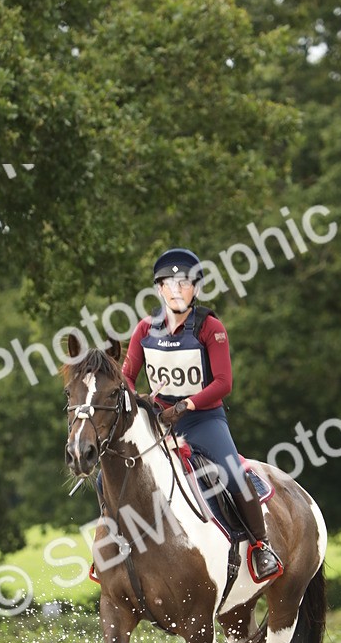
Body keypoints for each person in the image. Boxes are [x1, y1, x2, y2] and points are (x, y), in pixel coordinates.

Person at [121, 247, 283, 581]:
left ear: (195, 288)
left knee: (233, 472)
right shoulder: (144, 329)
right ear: (159, 289)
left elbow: (224, 383)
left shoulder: (210, 327)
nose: (176, 290)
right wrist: (137, 400)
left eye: (184, 283)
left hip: (203, 420)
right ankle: (113, 549)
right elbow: (127, 376)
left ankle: (261, 546)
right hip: (158, 422)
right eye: (169, 284)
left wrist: (185, 405)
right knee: (109, 474)